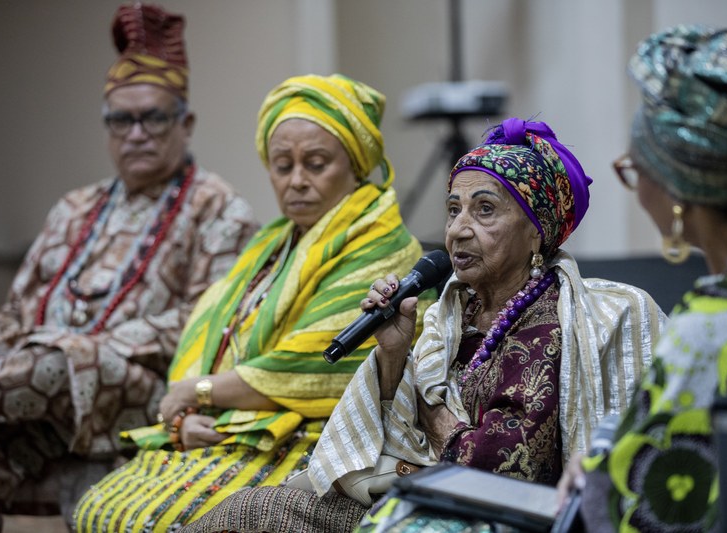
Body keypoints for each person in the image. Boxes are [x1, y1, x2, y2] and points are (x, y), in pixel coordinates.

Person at [182, 117, 666, 533]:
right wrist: (394, 356)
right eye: (454, 209)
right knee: (246, 509)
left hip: (485, 517)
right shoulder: (449, 315)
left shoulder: (553, 324)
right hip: (419, 496)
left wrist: (430, 410)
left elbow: (501, 469)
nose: (458, 229)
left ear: (536, 230)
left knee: (258, 514)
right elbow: (392, 438)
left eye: (485, 210)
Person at [73, 72, 430, 531]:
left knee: (151, 519)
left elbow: (317, 368)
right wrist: (185, 415)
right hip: (233, 425)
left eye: (316, 163)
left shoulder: (381, 245)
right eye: (283, 166)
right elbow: (213, 341)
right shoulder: (272, 241)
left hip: (310, 440)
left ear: (356, 165)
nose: (297, 181)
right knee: (98, 507)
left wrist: (198, 392)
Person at [0, 4, 256, 530]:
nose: (136, 133)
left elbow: (205, 324)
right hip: (42, 379)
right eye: (121, 119)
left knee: (53, 363)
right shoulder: (74, 206)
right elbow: (15, 312)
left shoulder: (219, 207)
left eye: (153, 117)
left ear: (186, 123)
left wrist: (79, 347)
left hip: (144, 389)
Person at [555, 25, 727, 532]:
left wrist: (596, 470)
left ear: (680, 194)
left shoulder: (715, 328)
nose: (637, 190)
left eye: (636, 172)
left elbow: (630, 506)